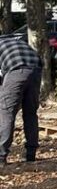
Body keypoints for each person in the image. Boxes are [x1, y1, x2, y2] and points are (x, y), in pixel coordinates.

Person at [0, 36, 43, 165]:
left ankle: (1, 156)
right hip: (36, 69)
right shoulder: (16, 42)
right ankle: (31, 153)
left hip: (15, 70)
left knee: (7, 112)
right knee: (30, 113)